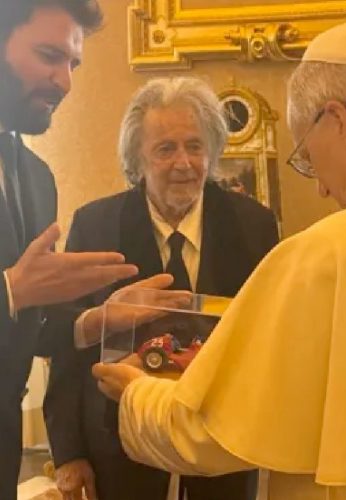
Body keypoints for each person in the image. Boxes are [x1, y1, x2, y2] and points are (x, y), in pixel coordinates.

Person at [94, 22, 346, 499]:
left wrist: (136, 393)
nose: (322, 187)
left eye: (308, 156)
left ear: (338, 121)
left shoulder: (328, 254)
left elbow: (208, 433)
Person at [44, 77, 279, 500]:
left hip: (221, 445)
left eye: (195, 146)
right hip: (117, 446)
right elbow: (67, 346)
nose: (183, 163)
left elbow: (271, 336)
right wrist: (69, 454)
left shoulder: (255, 225)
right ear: (137, 159)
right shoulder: (95, 225)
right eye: (165, 149)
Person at [0, 1, 138, 497]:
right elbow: (15, 297)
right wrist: (10, 290)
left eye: (73, 63)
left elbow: (26, 331)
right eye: (48, 56)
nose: (65, 81)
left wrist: (94, 323)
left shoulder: (36, 177)